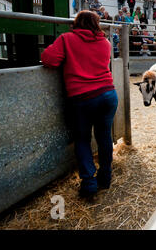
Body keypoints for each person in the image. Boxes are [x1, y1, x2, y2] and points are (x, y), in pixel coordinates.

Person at [41, 11, 118, 198]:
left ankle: (89, 183)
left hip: (83, 98)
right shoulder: (105, 43)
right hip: (108, 94)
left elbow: (48, 59)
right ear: (96, 24)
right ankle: (105, 177)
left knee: (83, 139)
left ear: (76, 23)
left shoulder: (67, 39)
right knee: (104, 136)